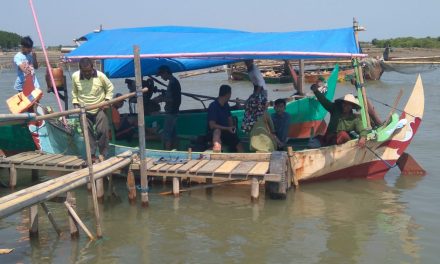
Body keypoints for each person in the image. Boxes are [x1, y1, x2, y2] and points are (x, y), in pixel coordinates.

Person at [72, 57, 114, 161]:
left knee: (103, 130)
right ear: (80, 69)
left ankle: (103, 154)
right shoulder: (75, 76)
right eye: (84, 71)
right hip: (84, 109)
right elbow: (74, 92)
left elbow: (110, 88)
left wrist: (107, 100)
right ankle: (91, 155)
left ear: (92, 68)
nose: (87, 73)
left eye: (89, 71)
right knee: (87, 131)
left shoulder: (100, 76)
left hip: (99, 108)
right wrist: (75, 102)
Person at [310, 80, 367, 147]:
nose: (346, 106)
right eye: (345, 103)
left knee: (343, 135)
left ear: (352, 106)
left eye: (349, 105)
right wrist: (316, 91)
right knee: (315, 140)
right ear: (342, 103)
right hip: (329, 139)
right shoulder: (334, 109)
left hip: (343, 142)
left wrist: (363, 138)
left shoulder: (354, 119)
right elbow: (324, 101)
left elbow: (362, 130)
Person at [207, 85, 244, 152]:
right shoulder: (213, 106)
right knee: (217, 131)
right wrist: (227, 128)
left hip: (226, 132)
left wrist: (232, 128)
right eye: (230, 94)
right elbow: (212, 125)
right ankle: (217, 147)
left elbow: (229, 119)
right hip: (215, 132)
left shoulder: (226, 105)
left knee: (238, 144)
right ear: (228, 94)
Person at [153, 65, 181, 150]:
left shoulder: (173, 83)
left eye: (161, 75)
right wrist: (163, 96)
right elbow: (172, 96)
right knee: (173, 134)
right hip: (173, 111)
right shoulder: (173, 82)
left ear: (165, 72)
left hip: (171, 112)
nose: (161, 77)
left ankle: (167, 152)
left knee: (167, 135)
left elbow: (173, 99)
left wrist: (161, 99)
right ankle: (175, 151)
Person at [241, 59, 268, 133]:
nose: (246, 62)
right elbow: (255, 84)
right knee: (250, 105)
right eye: (245, 61)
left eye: (248, 61)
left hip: (261, 91)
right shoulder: (249, 69)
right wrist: (253, 95)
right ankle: (250, 127)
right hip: (257, 90)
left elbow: (259, 84)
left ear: (251, 61)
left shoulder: (254, 69)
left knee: (259, 110)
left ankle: (261, 126)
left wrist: (255, 96)